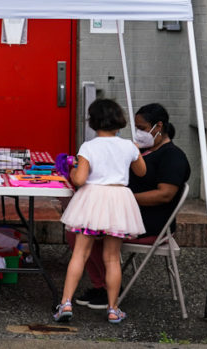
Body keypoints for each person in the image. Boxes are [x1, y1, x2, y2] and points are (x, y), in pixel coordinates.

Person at [71, 102, 192, 312]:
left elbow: (165, 194)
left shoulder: (173, 157)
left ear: (158, 126)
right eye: (136, 128)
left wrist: (122, 200)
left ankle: (105, 288)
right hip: (123, 212)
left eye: (142, 128)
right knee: (83, 227)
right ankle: (103, 287)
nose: (138, 133)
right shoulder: (140, 151)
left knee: (86, 232)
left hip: (149, 222)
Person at [55, 98, 147, 325]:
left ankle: (66, 303)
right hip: (118, 201)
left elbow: (79, 179)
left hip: (92, 201)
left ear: (93, 122)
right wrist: (134, 153)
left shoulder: (88, 147)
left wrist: (73, 168)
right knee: (112, 258)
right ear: (119, 121)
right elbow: (142, 172)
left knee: (80, 254)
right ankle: (113, 308)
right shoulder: (129, 146)